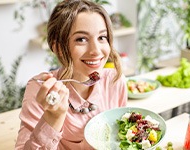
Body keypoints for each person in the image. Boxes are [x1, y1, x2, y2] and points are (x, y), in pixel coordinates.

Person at [15, 0, 128, 149]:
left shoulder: (114, 80)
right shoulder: (40, 89)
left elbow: (122, 135)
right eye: (81, 39)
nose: (96, 50)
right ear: (58, 48)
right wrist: (53, 117)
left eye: (102, 37)